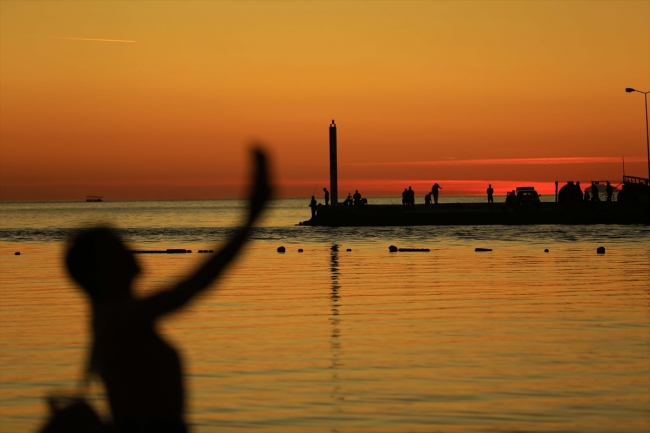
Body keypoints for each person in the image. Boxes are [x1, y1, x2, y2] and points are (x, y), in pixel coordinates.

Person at [64, 149, 272, 433]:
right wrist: (251, 219)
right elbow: (190, 288)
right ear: (100, 271)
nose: (127, 247)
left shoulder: (111, 318)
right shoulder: (119, 319)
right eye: (116, 246)